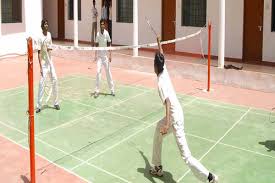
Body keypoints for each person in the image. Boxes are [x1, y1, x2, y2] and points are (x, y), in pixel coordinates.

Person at [150, 37, 218, 183]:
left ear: (155, 66)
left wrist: (167, 124)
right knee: (157, 130)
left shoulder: (161, 83)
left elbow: (167, 103)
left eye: (153, 63)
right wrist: (159, 43)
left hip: (174, 118)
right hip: (177, 114)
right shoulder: (164, 70)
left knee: (186, 156)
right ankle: (157, 166)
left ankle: (209, 177)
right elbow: (162, 56)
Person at [36, 19, 60, 113]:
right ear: (42, 26)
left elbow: (50, 48)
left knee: (55, 80)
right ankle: (38, 106)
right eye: (44, 24)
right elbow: (38, 53)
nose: (46, 25)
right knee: (41, 83)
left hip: (50, 63)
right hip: (43, 64)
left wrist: (50, 62)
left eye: (47, 24)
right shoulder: (39, 37)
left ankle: (56, 103)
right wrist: (41, 68)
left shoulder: (49, 35)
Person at [93, 19, 115, 98]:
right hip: (99, 57)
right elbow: (96, 45)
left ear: (104, 25)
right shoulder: (98, 34)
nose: (102, 25)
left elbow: (109, 44)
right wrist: (95, 55)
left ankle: (112, 89)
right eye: (101, 24)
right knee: (98, 72)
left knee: (108, 73)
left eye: (103, 24)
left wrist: (110, 55)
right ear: (100, 25)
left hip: (105, 57)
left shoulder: (106, 33)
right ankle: (96, 91)